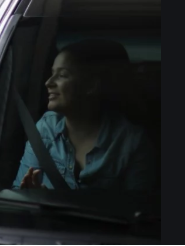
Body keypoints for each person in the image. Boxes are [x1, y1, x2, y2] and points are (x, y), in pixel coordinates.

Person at [12, 39, 156, 190]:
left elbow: (138, 208)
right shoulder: (45, 129)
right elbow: (18, 192)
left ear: (91, 86)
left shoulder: (132, 143)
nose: (49, 82)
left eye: (62, 75)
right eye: (52, 73)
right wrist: (32, 196)